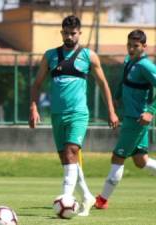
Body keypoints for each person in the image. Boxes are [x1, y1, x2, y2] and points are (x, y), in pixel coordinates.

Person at [28, 15, 119, 216]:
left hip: (78, 113)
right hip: (57, 115)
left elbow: (103, 84)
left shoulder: (89, 56)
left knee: (71, 151)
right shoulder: (50, 55)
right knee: (67, 159)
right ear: (61, 33)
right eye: (66, 33)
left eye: (73, 33)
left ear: (79, 33)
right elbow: (36, 84)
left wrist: (111, 111)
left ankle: (66, 198)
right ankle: (87, 196)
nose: (69, 36)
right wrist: (33, 107)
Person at [95, 29, 156, 209]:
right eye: (129, 45)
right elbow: (124, 82)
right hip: (130, 118)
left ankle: (102, 200)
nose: (131, 49)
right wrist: (116, 96)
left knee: (117, 156)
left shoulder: (146, 66)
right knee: (140, 161)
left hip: (137, 120)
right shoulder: (129, 61)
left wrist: (151, 111)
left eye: (135, 46)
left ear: (144, 47)